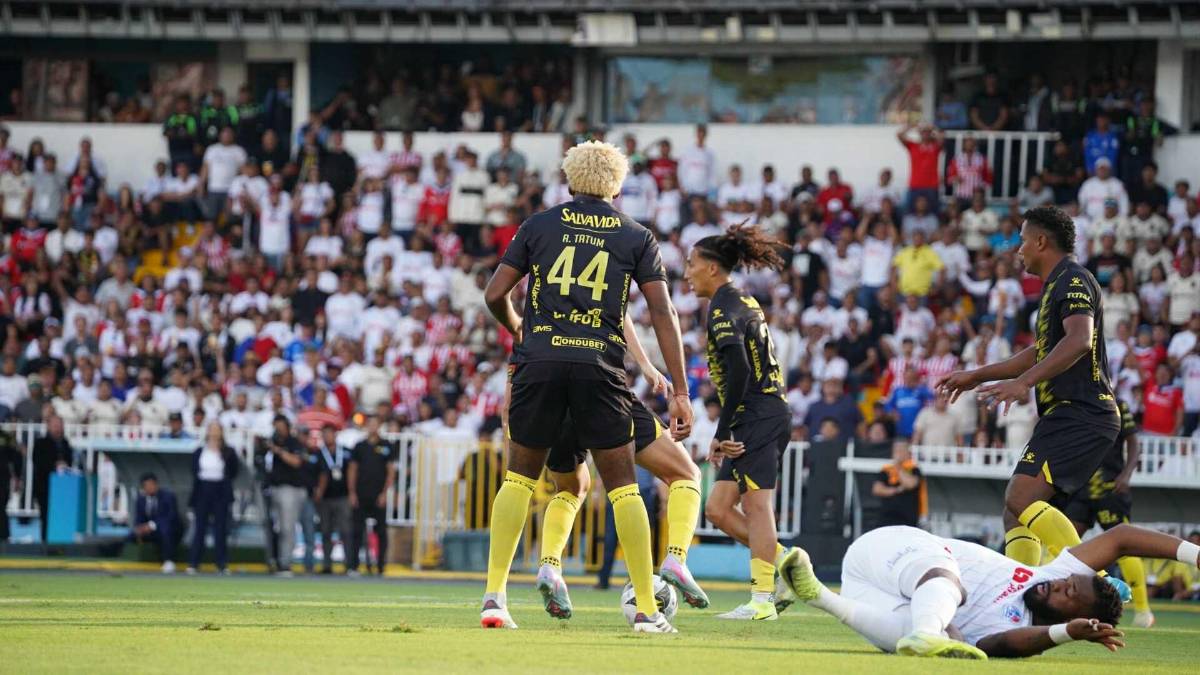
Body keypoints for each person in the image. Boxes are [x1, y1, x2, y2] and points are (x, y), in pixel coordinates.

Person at [479, 140, 692, 633]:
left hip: (540, 362)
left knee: (518, 479)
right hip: (599, 366)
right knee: (622, 488)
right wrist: (679, 389)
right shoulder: (635, 234)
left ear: (570, 179)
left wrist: (517, 325)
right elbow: (663, 311)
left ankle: (494, 599)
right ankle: (645, 610)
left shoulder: (539, 224)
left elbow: (494, 294)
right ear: (617, 185)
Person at [938, 206, 1129, 598]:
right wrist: (977, 375)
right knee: (1016, 511)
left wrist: (1024, 383)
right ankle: (1019, 598)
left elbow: (1079, 340)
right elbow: (1041, 352)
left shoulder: (1074, 279)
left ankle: (1098, 583)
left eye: (1023, 240)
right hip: (1068, 414)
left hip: (1082, 412)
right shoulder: (1055, 286)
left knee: (1020, 497)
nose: (1018, 249)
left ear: (1041, 241)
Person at [777, 522, 1200, 659]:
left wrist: (1065, 634)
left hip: (871, 596)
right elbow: (1123, 536)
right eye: (1067, 580)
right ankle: (932, 633)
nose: (1056, 583)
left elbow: (1002, 646)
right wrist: (1194, 556)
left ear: (1070, 614)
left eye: (1067, 594)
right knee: (947, 584)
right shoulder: (1049, 573)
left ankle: (816, 594)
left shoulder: (1014, 628)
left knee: (912, 630)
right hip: (893, 550)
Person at [530, 313, 706, 618]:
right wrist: (648, 367)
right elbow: (625, 313)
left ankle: (549, 566)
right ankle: (675, 558)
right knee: (685, 473)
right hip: (600, 383)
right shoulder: (613, 263)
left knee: (572, 488)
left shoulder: (541, 264)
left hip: (550, 387)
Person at [683, 225, 791, 621]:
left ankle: (762, 600)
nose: (687, 272)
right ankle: (787, 562)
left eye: (691, 264)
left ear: (712, 268)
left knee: (757, 505)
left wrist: (722, 431)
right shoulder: (741, 299)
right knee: (718, 508)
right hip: (759, 413)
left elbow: (741, 371)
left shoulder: (724, 308)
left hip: (758, 414)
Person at [1061, 400, 1153, 628]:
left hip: (1109, 487)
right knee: (1064, 542)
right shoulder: (1073, 404)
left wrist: (1126, 474)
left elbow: (1133, 442)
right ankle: (1064, 602)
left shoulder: (1118, 404)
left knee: (1124, 545)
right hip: (1081, 487)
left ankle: (1143, 611)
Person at [347, 415, 396, 576]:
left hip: (378, 495)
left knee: (381, 531)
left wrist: (384, 493)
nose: (373, 426)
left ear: (379, 426)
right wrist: (352, 492)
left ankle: (380, 566)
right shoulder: (359, 446)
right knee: (356, 530)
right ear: (366, 426)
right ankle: (353, 566)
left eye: (376, 423)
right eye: (370, 423)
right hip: (361, 494)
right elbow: (352, 470)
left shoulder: (386, 446)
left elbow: (390, 471)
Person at [187, 422, 239, 575]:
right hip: (203, 489)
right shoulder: (199, 451)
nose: (215, 432)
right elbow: (194, 470)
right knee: (200, 528)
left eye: (218, 429)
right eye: (212, 429)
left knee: (220, 529)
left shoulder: (228, 451)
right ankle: (194, 562)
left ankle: (221, 563)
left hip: (220, 491)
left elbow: (233, 471)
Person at [260, 415, 309, 577]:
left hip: (290, 489)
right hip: (272, 488)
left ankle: (285, 563)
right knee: (273, 527)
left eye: (281, 425)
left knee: (287, 528)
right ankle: (273, 560)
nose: (278, 429)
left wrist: (278, 451)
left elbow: (296, 462)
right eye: (276, 426)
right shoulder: (271, 441)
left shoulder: (293, 442)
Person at [313, 424, 352, 575]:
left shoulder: (346, 452)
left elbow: (352, 472)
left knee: (345, 531)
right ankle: (327, 564)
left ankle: (349, 564)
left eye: (330, 434)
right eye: (325, 434)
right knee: (325, 531)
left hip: (342, 497)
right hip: (325, 498)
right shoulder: (318, 454)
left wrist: (351, 493)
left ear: (335, 435)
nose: (328, 437)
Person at [31, 415, 74, 543]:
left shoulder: (65, 444)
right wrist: (54, 466)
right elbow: (38, 461)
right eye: (55, 425)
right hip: (44, 486)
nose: (58, 429)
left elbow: (69, 461)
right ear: (49, 427)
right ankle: (45, 544)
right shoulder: (40, 443)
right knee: (45, 517)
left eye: (60, 425)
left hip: (63, 488)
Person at [131, 473, 183, 573]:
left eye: (152, 485)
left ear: (156, 484)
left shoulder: (168, 496)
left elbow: (171, 517)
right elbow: (138, 518)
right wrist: (140, 528)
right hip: (150, 532)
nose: (150, 488)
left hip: (170, 529)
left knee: (165, 530)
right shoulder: (140, 499)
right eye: (147, 486)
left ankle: (169, 561)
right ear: (143, 487)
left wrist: (151, 526)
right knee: (131, 535)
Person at [871, 441, 926, 528]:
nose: (898, 453)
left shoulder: (914, 469)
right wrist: (896, 490)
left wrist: (898, 467)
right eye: (896, 451)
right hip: (886, 518)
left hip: (907, 520)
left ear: (908, 453)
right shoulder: (886, 470)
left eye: (901, 450)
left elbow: (910, 484)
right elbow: (877, 489)